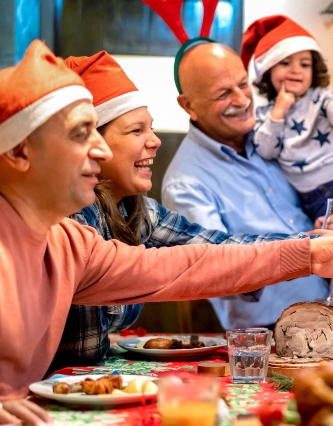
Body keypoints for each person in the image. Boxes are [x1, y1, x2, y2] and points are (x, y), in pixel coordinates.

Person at [0, 40, 333, 425]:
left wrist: (309, 252)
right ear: (20, 152)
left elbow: (188, 264)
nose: (98, 150)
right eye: (83, 135)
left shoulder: (67, 243)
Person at [50, 51, 309, 371]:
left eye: (151, 128)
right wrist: (310, 251)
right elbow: (194, 267)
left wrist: (312, 243)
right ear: (93, 145)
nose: (155, 141)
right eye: (136, 131)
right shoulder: (73, 215)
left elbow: (214, 247)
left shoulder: (136, 209)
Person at [162, 42, 333, 329]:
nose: (242, 100)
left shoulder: (275, 134)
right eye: (223, 93)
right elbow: (221, 271)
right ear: (189, 105)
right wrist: (308, 250)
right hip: (266, 336)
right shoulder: (185, 183)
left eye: (243, 84)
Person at [241, 14, 333, 224]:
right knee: (326, 243)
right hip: (305, 197)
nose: (296, 70)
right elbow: (266, 150)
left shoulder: (321, 98)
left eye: (305, 64)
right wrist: (278, 112)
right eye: (285, 62)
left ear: (313, 70)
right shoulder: (265, 114)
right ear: (268, 70)